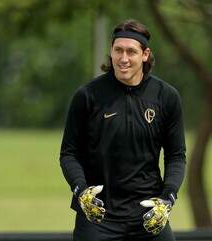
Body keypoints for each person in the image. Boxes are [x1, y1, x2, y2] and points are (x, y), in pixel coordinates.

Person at [59, 19, 186, 241]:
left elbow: (176, 156)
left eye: (131, 51)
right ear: (111, 51)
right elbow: (68, 154)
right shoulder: (87, 96)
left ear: (145, 54)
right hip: (98, 218)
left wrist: (168, 197)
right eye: (118, 50)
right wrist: (81, 191)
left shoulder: (166, 97)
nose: (123, 59)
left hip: (149, 217)